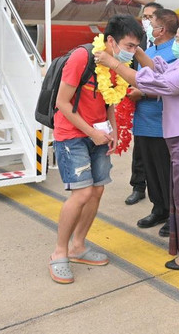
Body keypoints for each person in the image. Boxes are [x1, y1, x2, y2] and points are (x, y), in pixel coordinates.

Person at [97, 19, 179, 270]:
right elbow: (159, 70)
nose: (175, 44)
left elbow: (151, 82)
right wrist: (138, 51)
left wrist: (114, 62)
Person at [48, 15, 144, 284]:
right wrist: (92, 132)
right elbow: (62, 103)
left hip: (99, 134)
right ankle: (59, 253)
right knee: (81, 194)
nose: (132, 52)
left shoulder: (115, 62)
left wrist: (112, 129)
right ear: (110, 41)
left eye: (136, 47)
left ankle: (78, 246)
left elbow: (110, 99)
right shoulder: (82, 57)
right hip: (72, 135)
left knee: (97, 190)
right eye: (129, 45)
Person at [130, 9, 179, 236]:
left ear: (162, 29)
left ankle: (173, 213)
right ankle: (158, 207)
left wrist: (143, 92)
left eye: (151, 21)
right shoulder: (148, 50)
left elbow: (168, 85)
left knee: (165, 170)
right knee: (150, 169)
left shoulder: (175, 52)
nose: (147, 24)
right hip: (143, 119)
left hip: (162, 120)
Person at [126, 1, 164, 206]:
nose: (145, 21)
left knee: (156, 158)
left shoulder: (169, 48)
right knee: (139, 150)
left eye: (150, 17)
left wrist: (143, 91)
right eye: (144, 17)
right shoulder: (139, 43)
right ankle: (138, 186)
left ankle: (159, 200)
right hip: (140, 108)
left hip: (158, 111)